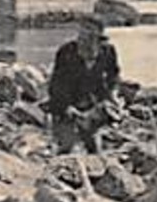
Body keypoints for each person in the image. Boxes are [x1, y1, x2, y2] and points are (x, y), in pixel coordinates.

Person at [47, 15, 121, 153]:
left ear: (99, 41)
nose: (86, 45)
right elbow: (56, 84)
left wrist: (112, 94)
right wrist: (67, 107)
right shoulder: (66, 52)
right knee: (66, 149)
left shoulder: (108, 52)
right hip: (67, 106)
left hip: (92, 106)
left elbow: (114, 76)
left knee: (94, 149)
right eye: (82, 38)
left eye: (91, 40)